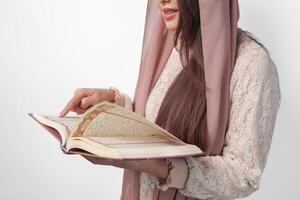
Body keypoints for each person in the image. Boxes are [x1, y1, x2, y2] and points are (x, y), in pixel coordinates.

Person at [59, 0, 281, 199]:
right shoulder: (177, 46)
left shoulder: (251, 64)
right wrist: (112, 102)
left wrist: (161, 167)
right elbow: (158, 128)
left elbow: (243, 175)